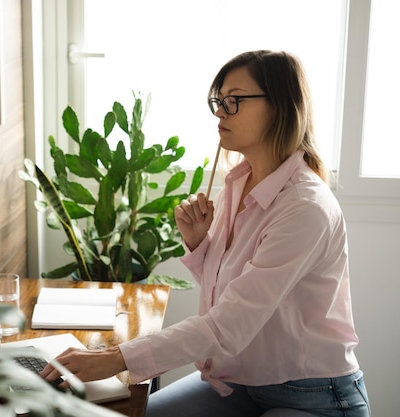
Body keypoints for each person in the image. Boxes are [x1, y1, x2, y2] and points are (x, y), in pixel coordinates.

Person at [40, 50, 370, 417]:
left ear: (279, 106)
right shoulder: (239, 183)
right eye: (218, 101)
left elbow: (229, 324)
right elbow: (235, 292)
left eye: (234, 101)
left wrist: (114, 358)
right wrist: (202, 246)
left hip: (315, 397)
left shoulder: (304, 208)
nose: (219, 113)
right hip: (239, 384)